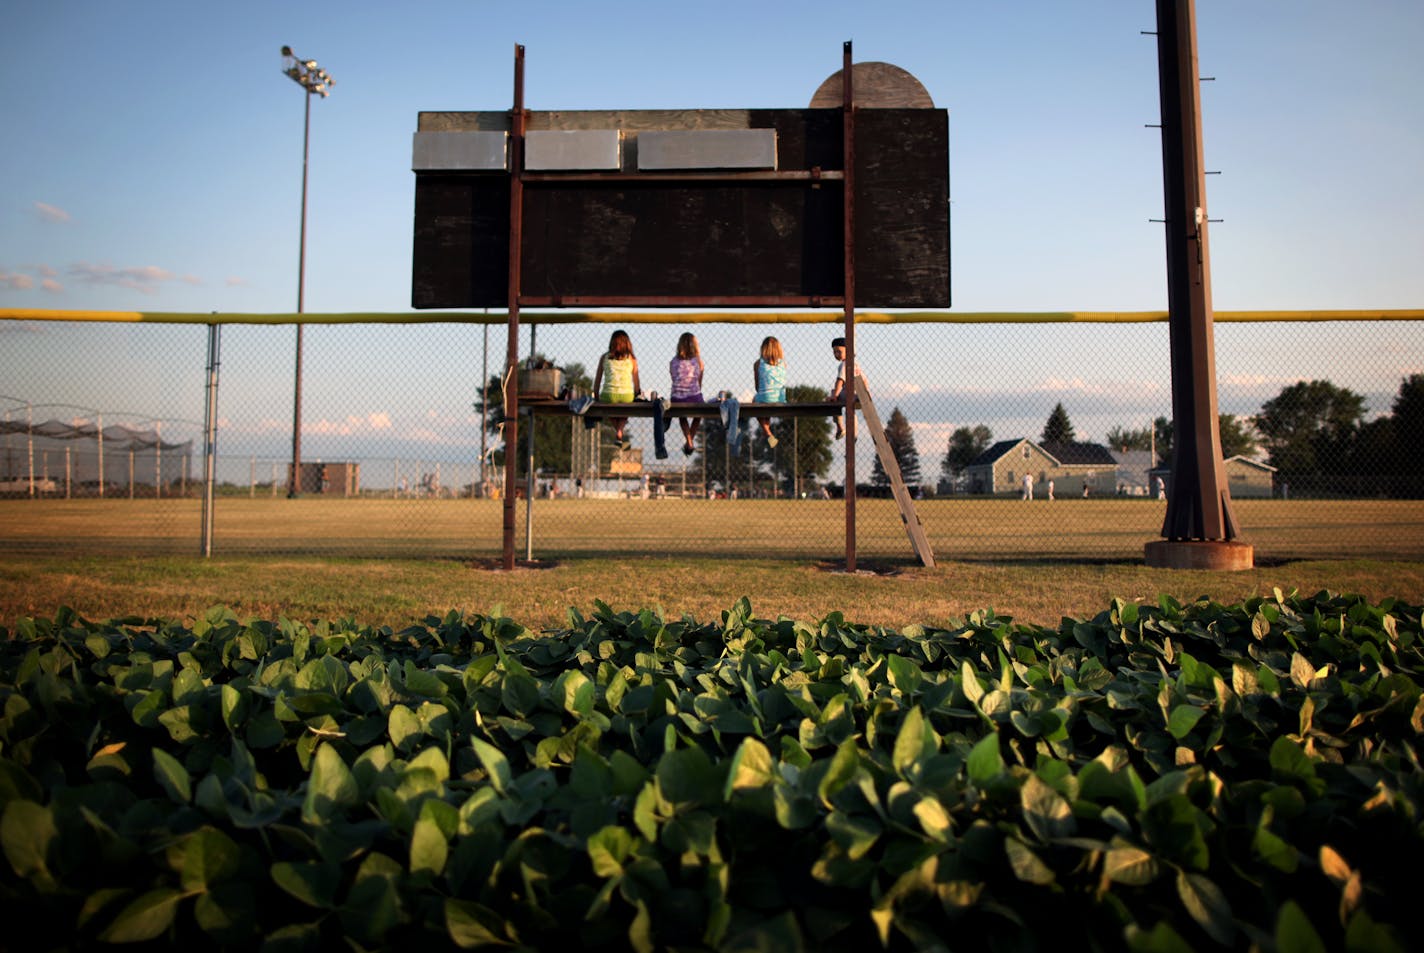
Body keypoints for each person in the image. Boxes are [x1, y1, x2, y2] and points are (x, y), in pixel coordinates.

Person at [592, 329, 640, 450]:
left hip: (608, 395)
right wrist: (637, 395)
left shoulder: (604, 357)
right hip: (627, 395)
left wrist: (597, 395)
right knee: (625, 410)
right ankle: (619, 431)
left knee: (609, 409)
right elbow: (636, 382)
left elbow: (598, 379)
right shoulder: (632, 359)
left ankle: (618, 432)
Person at [669, 332, 705, 456]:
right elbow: (699, 384)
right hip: (694, 397)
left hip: (677, 398)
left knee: (681, 415)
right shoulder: (699, 361)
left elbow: (674, 379)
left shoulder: (673, 361)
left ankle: (689, 441)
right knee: (699, 413)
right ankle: (690, 440)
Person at [753, 335, 786, 448]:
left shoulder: (758, 363)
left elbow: (757, 387)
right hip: (781, 400)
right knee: (768, 397)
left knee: (757, 400)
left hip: (764, 398)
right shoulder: (783, 364)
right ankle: (767, 432)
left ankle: (767, 432)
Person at [829, 337, 863, 440]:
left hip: (849, 393)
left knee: (833, 397)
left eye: (839, 351)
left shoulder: (844, 364)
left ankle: (840, 427)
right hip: (859, 393)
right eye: (834, 352)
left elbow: (840, 380)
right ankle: (854, 435)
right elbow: (864, 379)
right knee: (851, 412)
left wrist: (834, 396)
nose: (836, 354)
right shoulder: (856, 364)